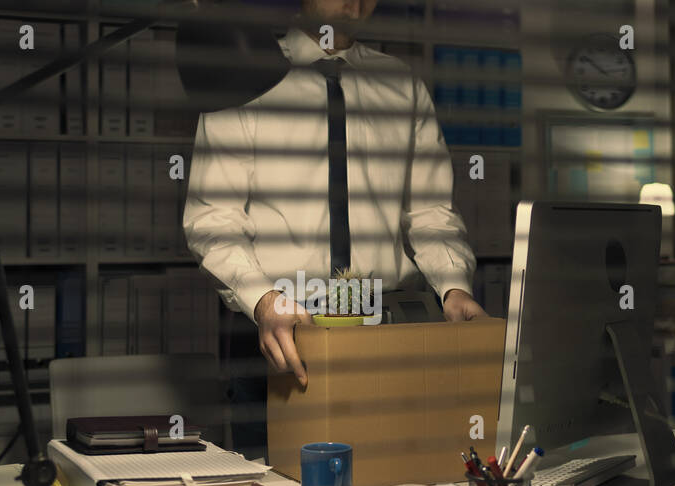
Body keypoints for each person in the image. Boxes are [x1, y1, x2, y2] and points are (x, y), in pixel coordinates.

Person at [183, 0, 488, 455]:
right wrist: (263, 300)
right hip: (279, 327)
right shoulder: (244, 74)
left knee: (387, 476)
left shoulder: (401, 84)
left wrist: (454, 287)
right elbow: (213, 218)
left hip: (383, 324)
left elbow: (430, 211)